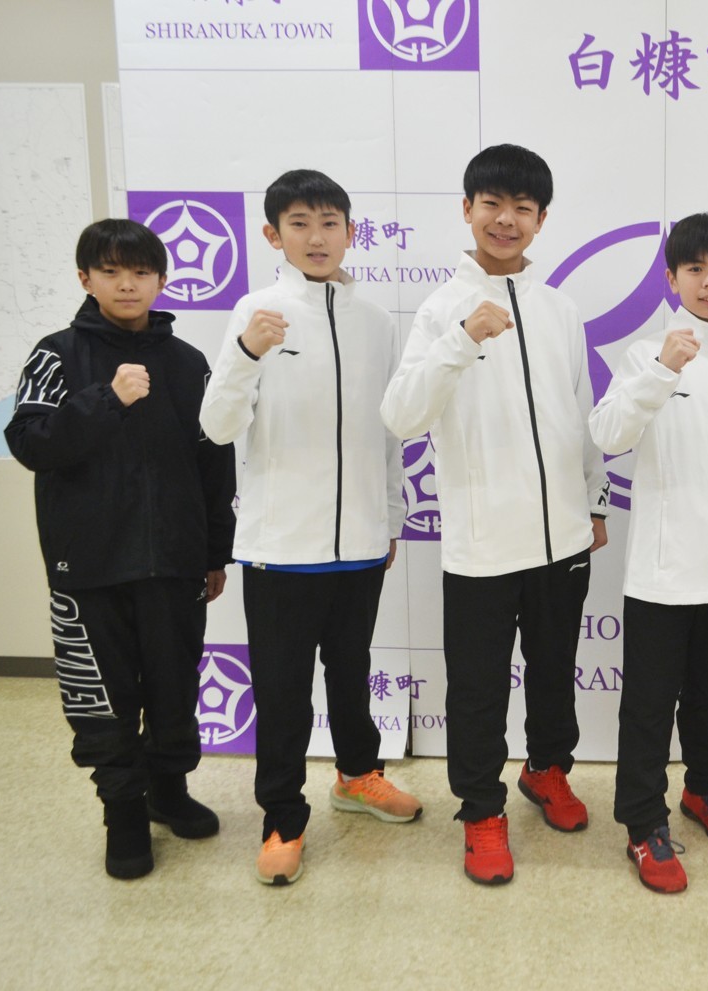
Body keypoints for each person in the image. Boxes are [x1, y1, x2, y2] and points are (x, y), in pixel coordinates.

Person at [380, 144, 608, 885]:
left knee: (554, 670)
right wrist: (460, 338)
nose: (506, 220)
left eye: (523, 208)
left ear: (541, 219)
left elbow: (579, 411)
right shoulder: (440, 309)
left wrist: (593, 500)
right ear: (467, 209)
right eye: (492, 204)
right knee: (478, 687)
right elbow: (401, 415)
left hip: (562, 536)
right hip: (481, 544)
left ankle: (546, 769)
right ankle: (481, 808)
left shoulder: (559, 308)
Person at [200, 169, 419, 887]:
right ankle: (282, 817)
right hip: (281, 549)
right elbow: (217, 426)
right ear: (273, 235)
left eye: (329, 223)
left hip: (360, 544)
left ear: (351, 232)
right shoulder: (256, 312)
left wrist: (389, 519)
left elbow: (389, 433)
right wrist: (246, 353)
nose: (316, 237)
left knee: (352, 675)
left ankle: (357, 776)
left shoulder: (378, 321)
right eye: (299, 223)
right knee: (284, 693)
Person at [6, 219, 236, 879]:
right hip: (89, 567)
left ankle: (168, 789)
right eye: (110, 271)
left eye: (139, 271)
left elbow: (213, 463)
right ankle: (124, 811)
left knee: (173, 685)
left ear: (162, 280)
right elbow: (31, 443)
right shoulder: (56, 355)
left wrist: (214, 551)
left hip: (175, 562)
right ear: (86, 279)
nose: (126, 283)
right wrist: (105, 400)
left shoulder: (188, 362)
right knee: (101, 697)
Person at [588, 212, 708, 894]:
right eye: (695, 268)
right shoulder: (646, 354)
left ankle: (704, 787)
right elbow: (608, 434)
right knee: (648, 705)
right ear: (672, 279)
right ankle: (643, 823)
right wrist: (662, 370)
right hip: (664, 574)